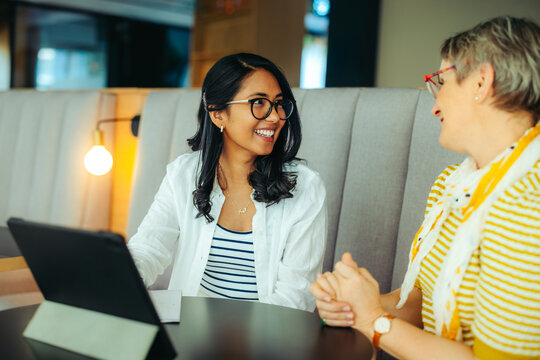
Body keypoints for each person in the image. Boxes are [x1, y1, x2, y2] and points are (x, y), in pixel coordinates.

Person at [310, 16, 540, 359]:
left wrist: (374, 320)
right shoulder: (451, 185)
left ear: (481, 81)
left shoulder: (526, 205)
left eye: (441, 82)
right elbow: (423, 302)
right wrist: (355, 305)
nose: (434, 105)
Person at [128, 53, 327, 311]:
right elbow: (148, 248)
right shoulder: (183, 174)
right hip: (190, 333)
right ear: (217, 114)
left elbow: (295, 297)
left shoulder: (306, 189)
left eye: (279, 104)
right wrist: (116, 279)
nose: (276, 116)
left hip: (265, 340)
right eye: (258, 103)